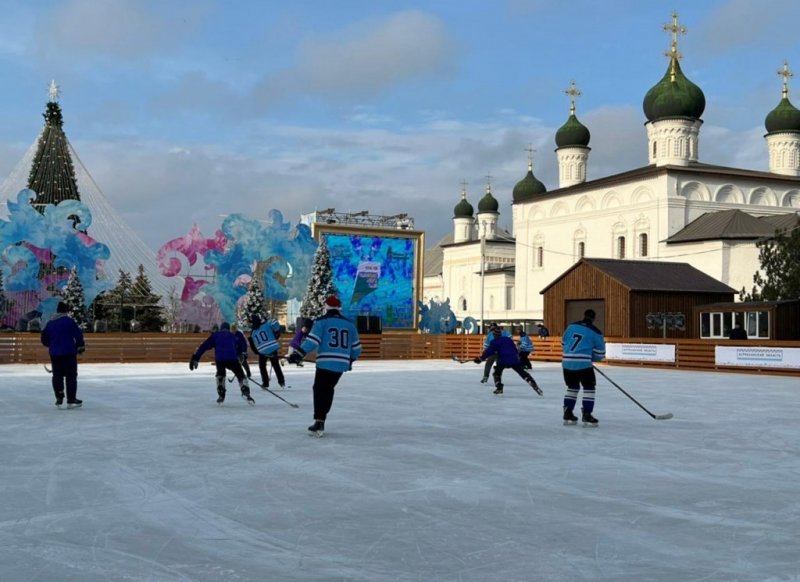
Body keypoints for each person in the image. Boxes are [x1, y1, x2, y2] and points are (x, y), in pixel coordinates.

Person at [288, 295, 362, 437]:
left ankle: (319, 422)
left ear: (326, 307)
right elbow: (357, 349)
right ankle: (321, 419)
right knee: (328, 389)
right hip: (341, 365)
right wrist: (350, 360)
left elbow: (312, 341)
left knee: (319, 389)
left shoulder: (322, 322)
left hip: (325, 362)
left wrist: (298, 354)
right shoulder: (350, 325)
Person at [561, 309, 606, 426]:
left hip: (566, 363)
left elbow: (563, 343)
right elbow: (600, 354)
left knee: (572, 387)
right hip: (584, 364)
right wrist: (591, 358)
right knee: (589, 388)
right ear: (594, 318)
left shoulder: (571, 327)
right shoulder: (596, 332)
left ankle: (568, 412)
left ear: (584, 315)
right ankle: (587, 414)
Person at [190, 322, 253, 405]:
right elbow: (241, 344)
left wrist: (196, 358)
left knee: (221, 374)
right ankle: (245, 390)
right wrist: (243, 353)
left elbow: (204, 346)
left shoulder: (216, 335)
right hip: (232, 359)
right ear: (229, 328)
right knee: (240, 374)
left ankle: (221, 392)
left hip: (220, 359)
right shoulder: (233, 335)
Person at [41, 301, 85, 408]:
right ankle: (71, 398)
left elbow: (44, 338)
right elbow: (78, 334)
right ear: (66, 311)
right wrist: (80, 346)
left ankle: (59, 396)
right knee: (71, 376)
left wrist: (51, 345)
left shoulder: (50, 323)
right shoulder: (69, 322)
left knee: (57, 375)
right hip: (68, 352)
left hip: (55, 353)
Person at [474, 326, 542, 396]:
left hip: (503, 360)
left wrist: (480, 359)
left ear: (494, 335)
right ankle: (533, 384)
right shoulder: (508, 339)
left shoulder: (494, 342)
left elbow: (488, 352)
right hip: (514, 359)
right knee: (522, 373)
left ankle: (499, 387)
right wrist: (517, 357)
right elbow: (515, 349)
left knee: (497, 373)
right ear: (501, 334)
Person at [249, 314, 286, 389]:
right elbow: (275, 323)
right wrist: (277, 332)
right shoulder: (266, 324)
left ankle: (265, 383)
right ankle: (281, 381)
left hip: (262, 351)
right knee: (276, 365)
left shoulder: (252, 333)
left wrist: (257, 352)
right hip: (272, 347)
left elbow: (252, 344)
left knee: (262, 366)